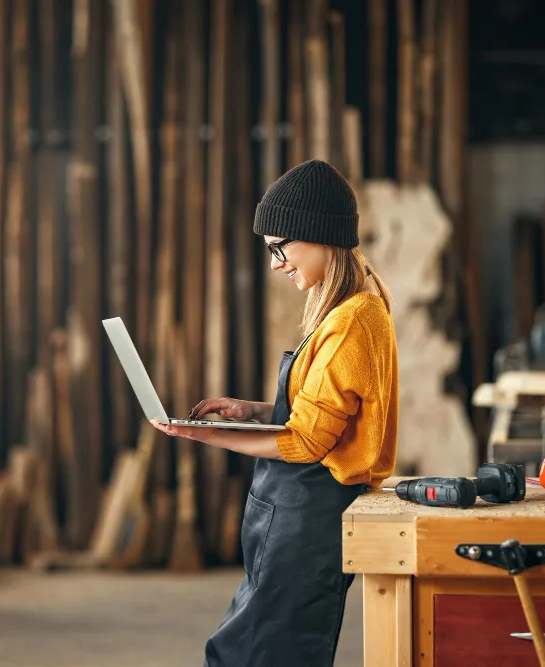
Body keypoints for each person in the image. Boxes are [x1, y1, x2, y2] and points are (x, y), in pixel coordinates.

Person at [151, 159, 399, 667]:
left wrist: (198, 434)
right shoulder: (347, 307)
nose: (275, 264)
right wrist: (254, 410)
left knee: (258, 654)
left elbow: (307, 442)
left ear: (316, 235)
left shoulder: (353, 317)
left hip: (307, 520)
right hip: (288, 516)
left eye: (279, 248)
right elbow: (322, 413)